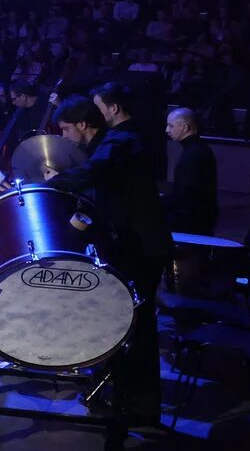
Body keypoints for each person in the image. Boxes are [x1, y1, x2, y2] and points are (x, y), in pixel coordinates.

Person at [45, 86, 172, 426]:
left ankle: (142, 409)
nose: (95, 113)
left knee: (139, 326)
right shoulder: (123, 139)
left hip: (144, 247)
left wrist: (54, 182)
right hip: (138, 244)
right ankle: (123, 391)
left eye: (99, 107)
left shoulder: (122, 140)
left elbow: (93, 172)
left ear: (112, 109)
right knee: (130, 322)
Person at [163, 107, 218, 236]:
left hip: (193, 219)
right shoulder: (196, 149)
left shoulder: (195, 154)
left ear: (185, 127)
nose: (167, 130)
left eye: (171, 126)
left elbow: (185, 195)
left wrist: (154, 204)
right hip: (194, 214)